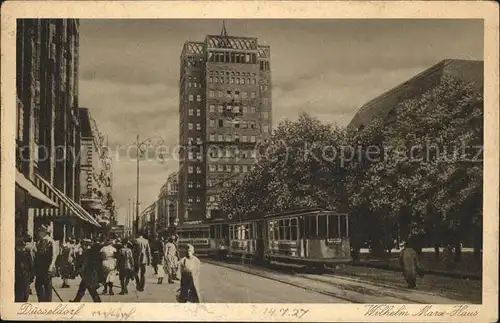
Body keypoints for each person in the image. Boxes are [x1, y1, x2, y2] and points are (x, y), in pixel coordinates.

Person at [34, 224, 57, 302]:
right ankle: (41, 301)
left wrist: (51, 266)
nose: (39, 233)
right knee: (38, 285)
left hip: (47, 267)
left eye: (40, 231)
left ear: (45, 232)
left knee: (47, 286)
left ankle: (47, 303)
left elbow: (54, 255)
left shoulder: (51, 241)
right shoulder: (38, 242)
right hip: (39, 267)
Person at [15, 235, 34, 302]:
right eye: (19, 247)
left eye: (22, 247)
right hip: (18, 277)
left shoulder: (27, 252)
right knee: (19, 295)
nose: (20, 248)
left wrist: (31, 276)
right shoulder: (15, 254)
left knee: (25, 295)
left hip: (26, 276)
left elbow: (31, 264)